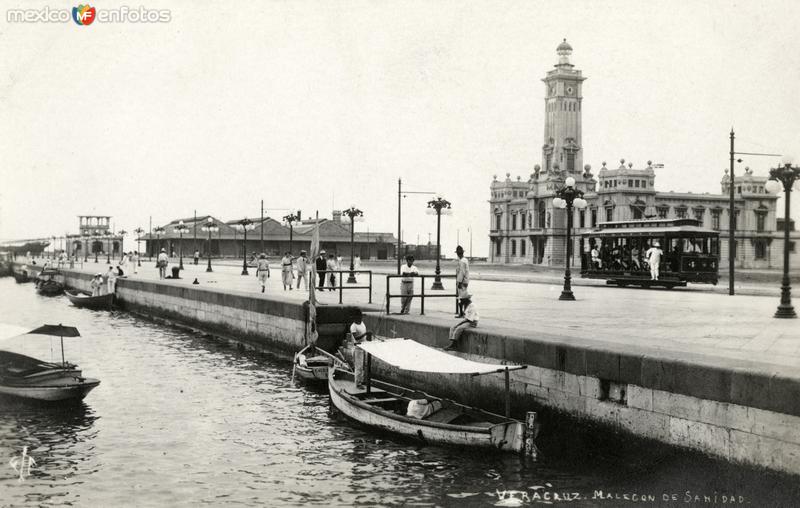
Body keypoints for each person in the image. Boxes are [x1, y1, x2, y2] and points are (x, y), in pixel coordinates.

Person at [455, 245, 470, 317]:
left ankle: (463, 313)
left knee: (462, 298)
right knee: (463, 297)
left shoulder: (462, 261)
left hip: (462, 282)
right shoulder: (465, 260)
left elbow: (462, 272)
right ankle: (464, 313)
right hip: (465, 281)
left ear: (458, 254)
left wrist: (459, 282)